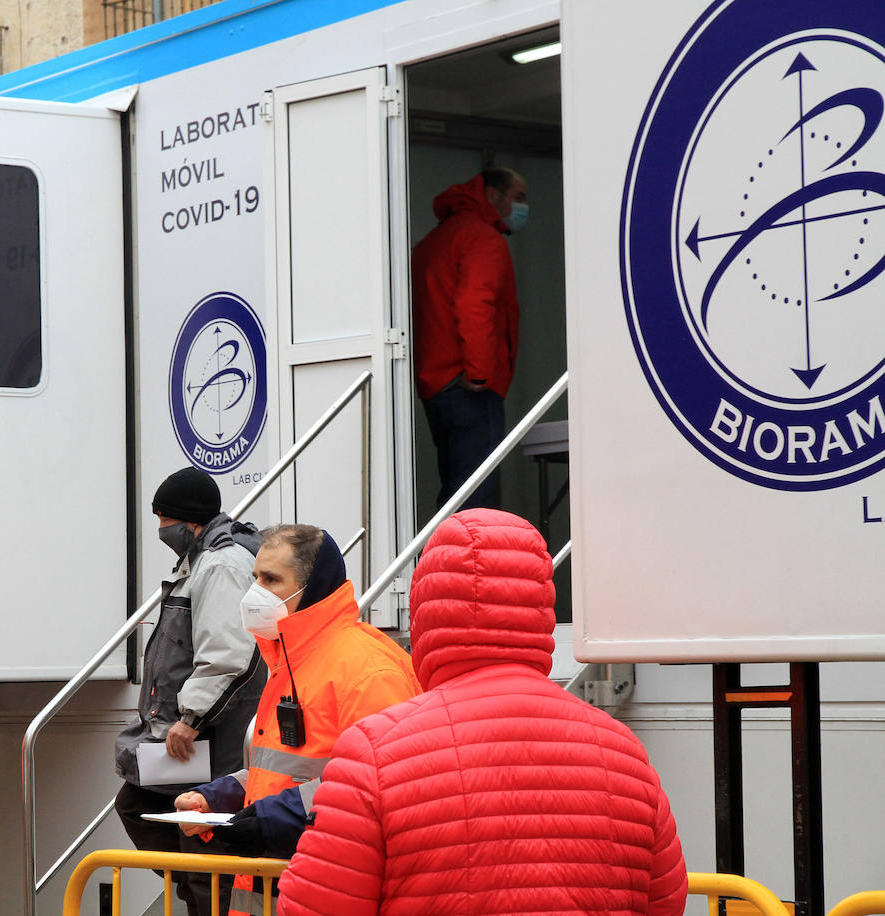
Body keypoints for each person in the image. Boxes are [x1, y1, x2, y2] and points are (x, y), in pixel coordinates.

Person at [276, 509, 688, 916]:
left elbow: (317, 904)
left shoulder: (376, 750)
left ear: (425, 610)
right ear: (541, 606)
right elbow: (666, 899)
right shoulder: (623, 752)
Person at [173, 524, 420, 916]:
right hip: (283, 885)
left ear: (313, 588)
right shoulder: (289, 659)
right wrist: (217, 797)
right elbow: (284, 767)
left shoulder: (366, 670)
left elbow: (384, 783)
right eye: (256, 576)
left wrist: (275, 818)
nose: (255, 590)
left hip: (330, 887)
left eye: (271, 579)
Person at [113, 467, 266, 916]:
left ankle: (204, 900)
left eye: (163, 518)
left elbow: (228, 654)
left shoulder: (219, 564)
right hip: (196, 738)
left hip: (210, 738)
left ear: (189, 521)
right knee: (137, 805)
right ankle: (193, 894)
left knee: (201, 851)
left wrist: (190, 718)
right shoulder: (202, 559)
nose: (160, 528)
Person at [411, 166, 528, 510]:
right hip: (468, 386)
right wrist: (480, 372)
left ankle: (441, 561)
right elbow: (474, 304)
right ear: (493, 195)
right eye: (518, 198)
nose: (524, 208)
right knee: (474, 498)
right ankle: (458, 565)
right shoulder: (483, 239)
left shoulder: (435, 241)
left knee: (454, 494)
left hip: (435, 386)